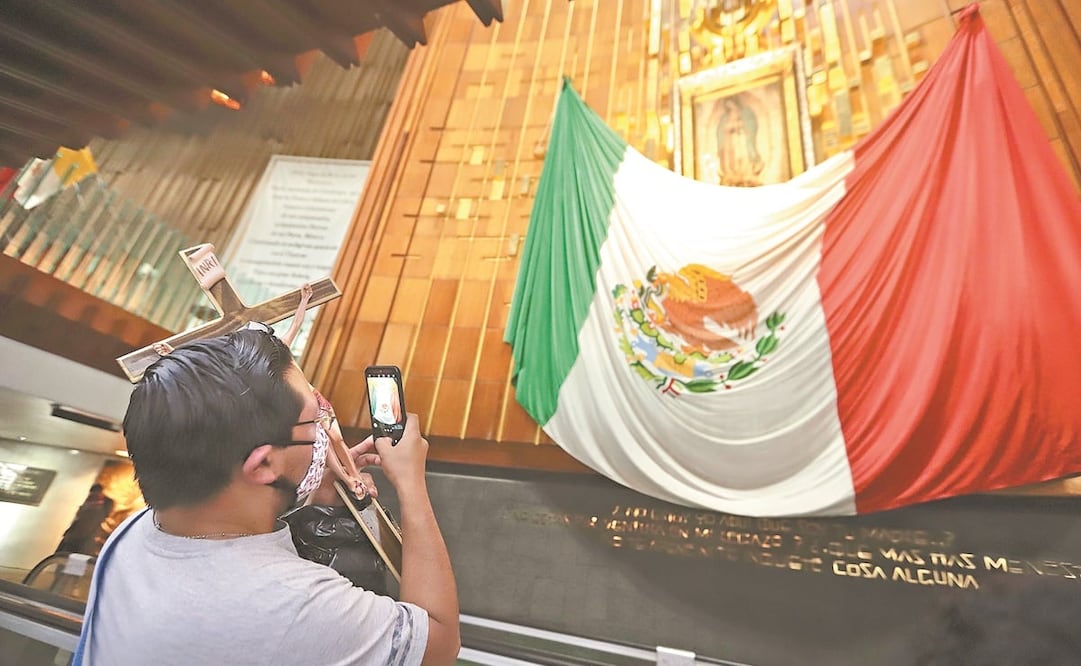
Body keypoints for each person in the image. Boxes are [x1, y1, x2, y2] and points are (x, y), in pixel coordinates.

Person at [77, 327, 459, 665]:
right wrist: (410, 484)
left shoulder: (135, 530)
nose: (326, 429)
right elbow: (438, 642)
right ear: (261, 466)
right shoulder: (295, 606)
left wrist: (307, 490)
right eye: (315, 419)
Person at [56, 484, 114, 556]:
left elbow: (102, 516)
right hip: (76, 536)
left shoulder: (105, 504)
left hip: (85, 537)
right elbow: (79, 516)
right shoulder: (88, 501)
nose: (94, 497)